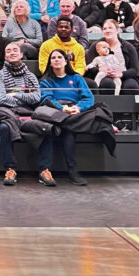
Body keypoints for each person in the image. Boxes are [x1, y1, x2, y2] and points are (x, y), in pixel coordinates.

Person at [37, 49, 93, 186]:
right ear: (50, 63)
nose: (56, 59)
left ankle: (72, 172)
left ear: (66, 61)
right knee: (48, 129)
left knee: (68, 131)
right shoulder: (45, 81)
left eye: (59, 57)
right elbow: (46, 99)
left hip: (74, 112)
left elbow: (88, 98)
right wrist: (62, 108)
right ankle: (45, 170)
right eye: (53, 57)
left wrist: (77, 107)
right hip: (54, 112)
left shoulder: (76, 78)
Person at [0, 42, 41, 186]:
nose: (12, 53)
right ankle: (10, 168)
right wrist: (25, 96)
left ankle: (44, 169)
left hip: (27, 113)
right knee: (4, 128)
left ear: (21, 55)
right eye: (8, 51)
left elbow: (36, 98)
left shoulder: (30, 76)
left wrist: (15, 94)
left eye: (15, 50)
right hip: (7, 113)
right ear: (5, 56)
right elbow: (2, 99)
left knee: (46, 126)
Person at [84, 19, 139, 94]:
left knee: (131, 86)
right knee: (107, 83)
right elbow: (89, 66)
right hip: (103, 75)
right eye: (105, 29)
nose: (107, 30)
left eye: (110, 28)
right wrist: (100, 70)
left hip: (123, 76)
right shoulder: (96, 45)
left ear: (117, 31)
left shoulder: (128, 47)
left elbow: (134, 69)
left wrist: (121, 74)